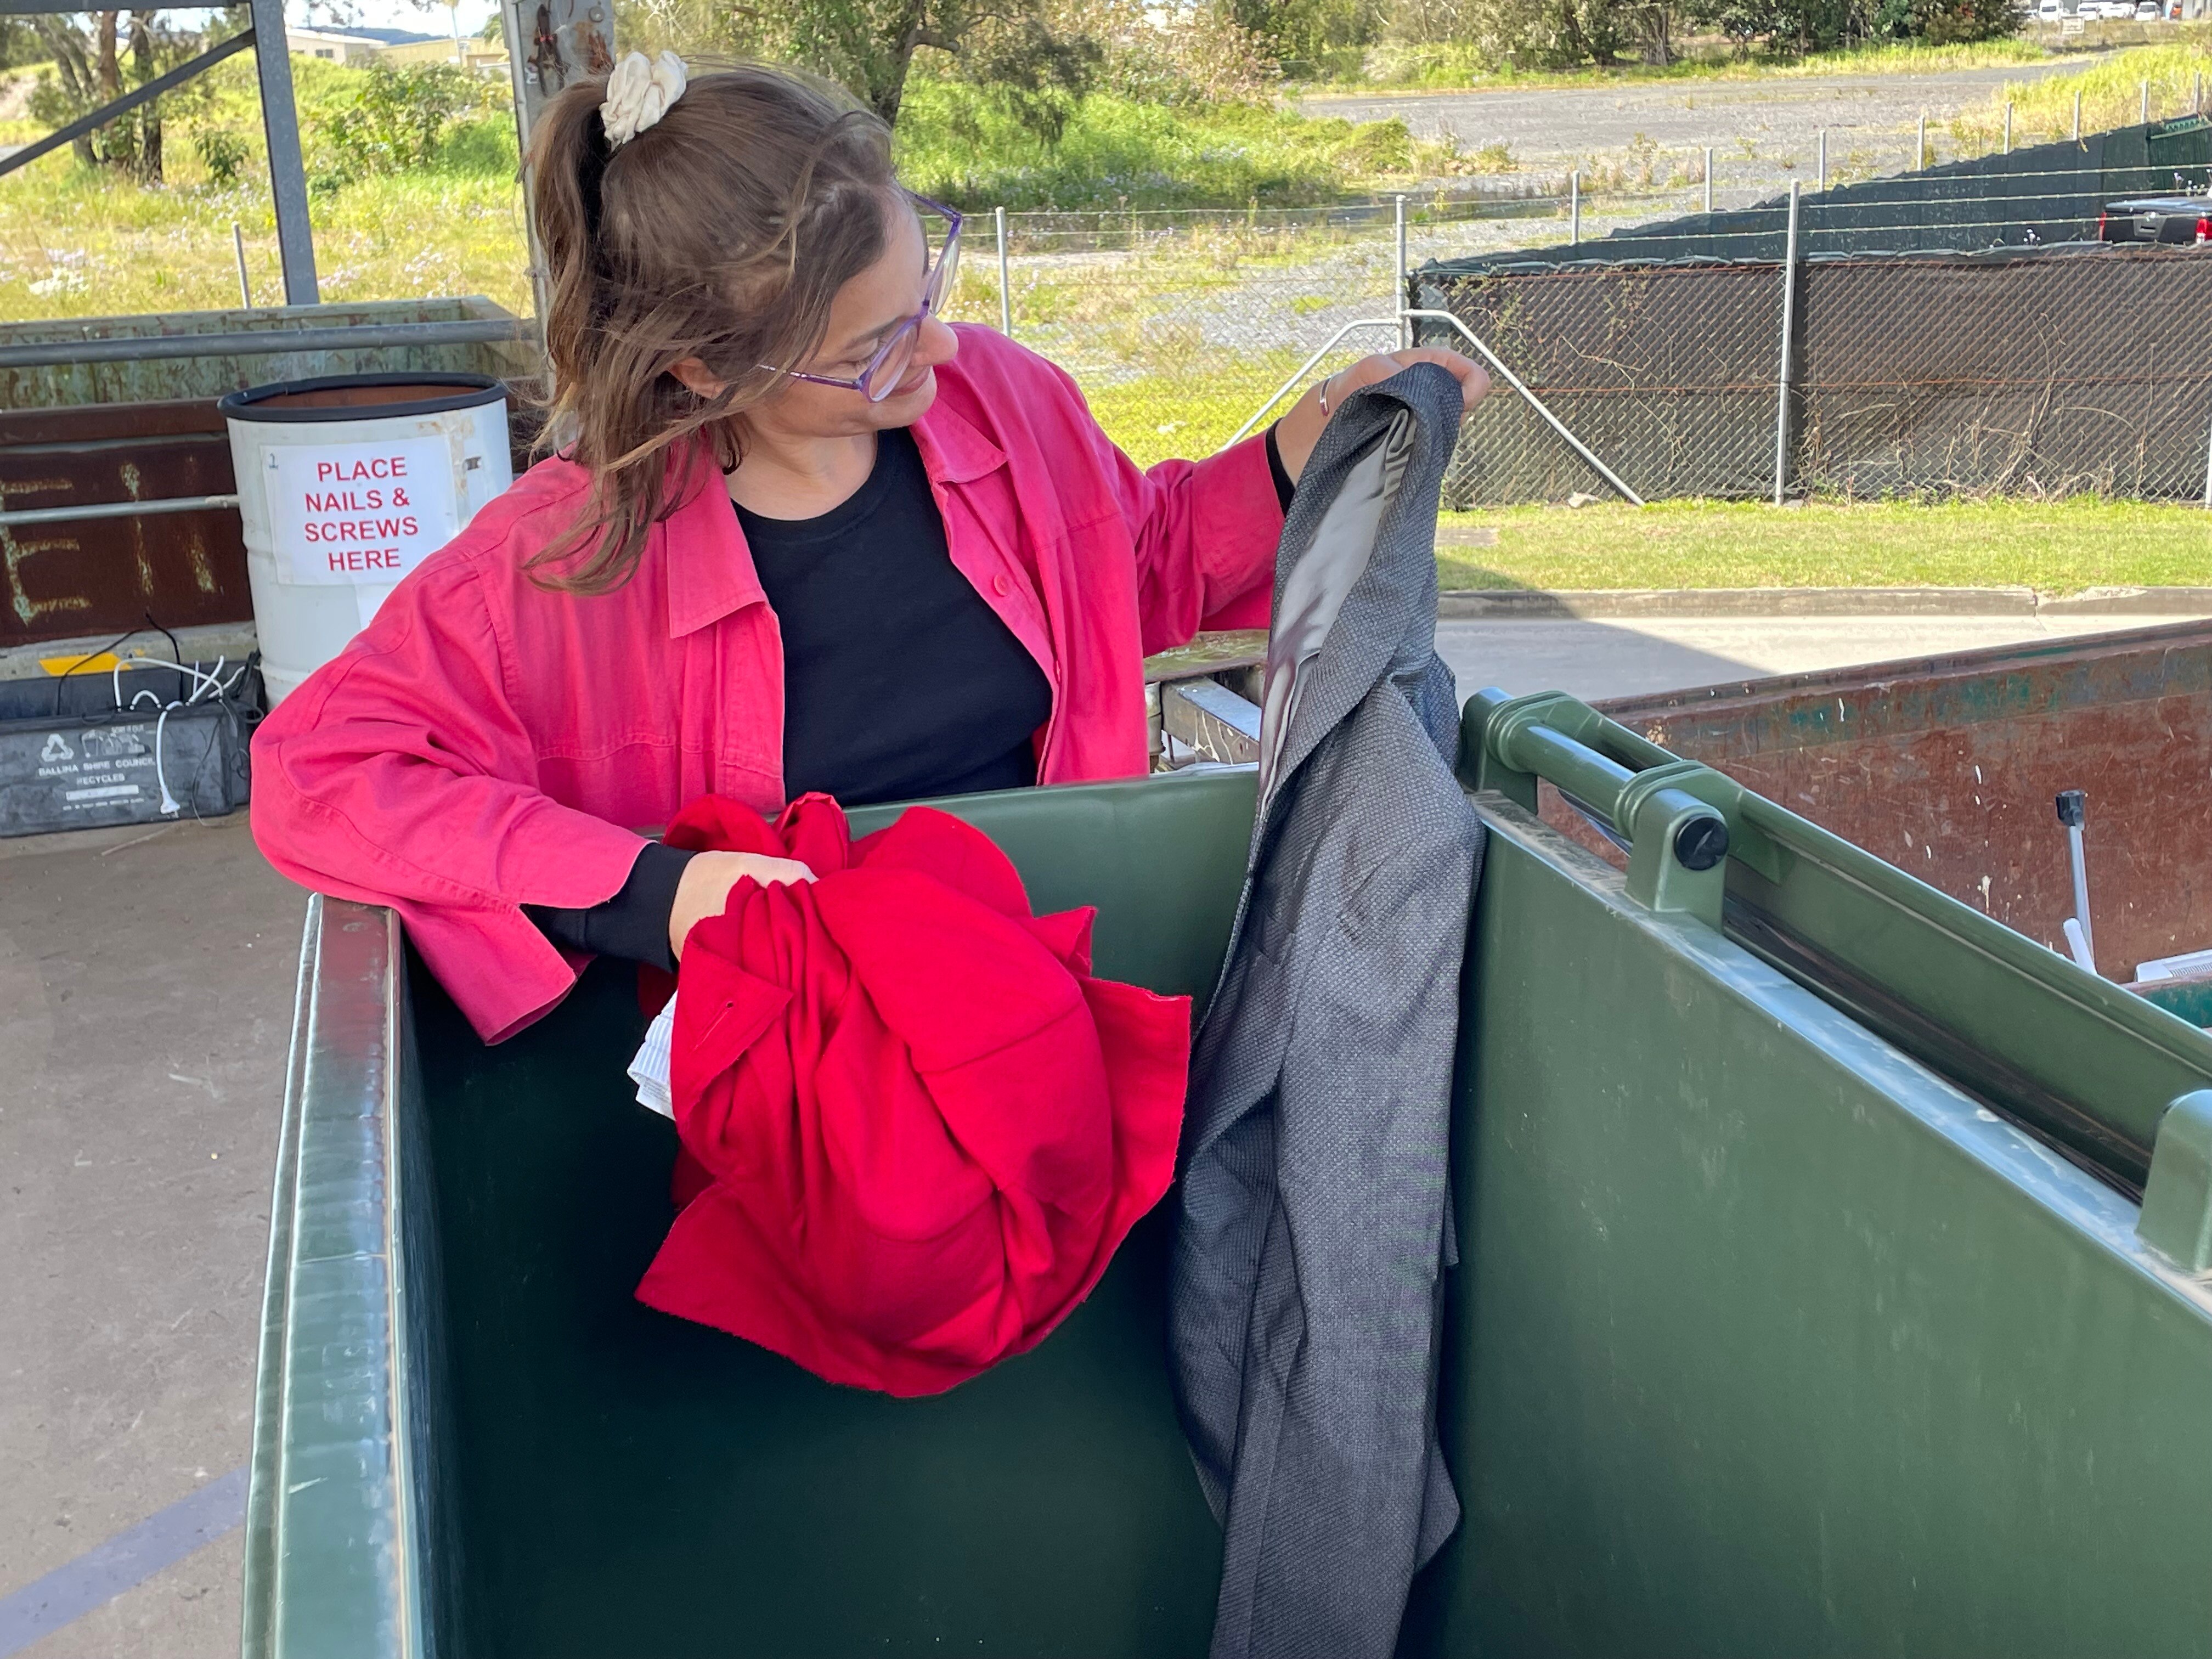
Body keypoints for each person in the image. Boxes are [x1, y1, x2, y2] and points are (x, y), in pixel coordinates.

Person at [249, 53, 1491, 1043]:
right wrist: (661, 894)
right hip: (810, 1095)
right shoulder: (561, 562)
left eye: (926, 292)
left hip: (1039, 1010)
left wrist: (1294, 457)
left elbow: (1133, 566)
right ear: (703, 368)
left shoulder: (1005, 401)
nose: (939, 359)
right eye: (869, 354)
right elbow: (317, 774)